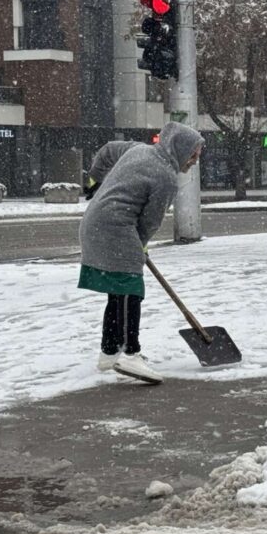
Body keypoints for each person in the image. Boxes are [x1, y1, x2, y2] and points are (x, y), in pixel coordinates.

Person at [78, 122, 204, 384]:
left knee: (117, 291)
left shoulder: (138, 150)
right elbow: (150, 221)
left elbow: (107, 150)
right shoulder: (166, 177)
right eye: (193, 154)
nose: (194, 161)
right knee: (129, 289)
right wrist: (140, 246)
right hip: (116, 226)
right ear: (180, 149)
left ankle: (110, 353)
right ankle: (129, 353)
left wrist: (94, 179)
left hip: (93, 222)